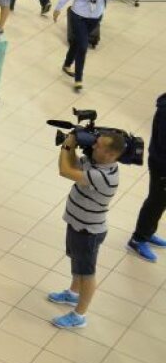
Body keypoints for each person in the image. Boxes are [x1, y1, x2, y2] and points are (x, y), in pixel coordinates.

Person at [49, 129, 123, 329]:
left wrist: (67, 143)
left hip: (88, 232)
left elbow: (65, 170)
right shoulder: (96, 162)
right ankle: (73, 294)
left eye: (98, 146)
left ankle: (79, 316)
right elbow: (73, 163)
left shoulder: (104, 175)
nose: (92, 146)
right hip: (76, 224)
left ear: (111, 155)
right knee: (77, 264)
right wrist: (71, 146)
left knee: (87, 273)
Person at [54, 0, 114, 91]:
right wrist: (58, 7)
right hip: (78, 14)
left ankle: (67, 64)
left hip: (95, 16)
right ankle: (78, 79)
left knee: (77, 42)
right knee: (82, 46)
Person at [129, 95, 166, 262]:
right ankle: (138, 239)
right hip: (162, 164)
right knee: (156, 201)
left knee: (161, 201)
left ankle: (148, 232)